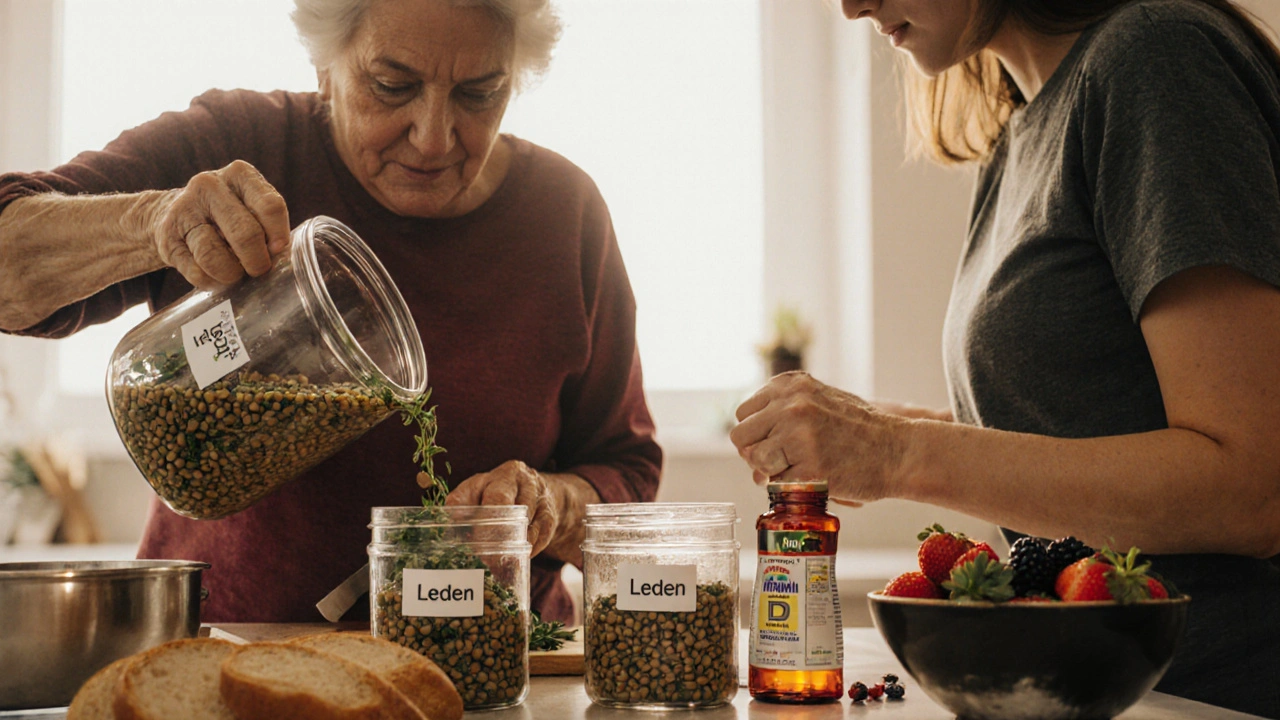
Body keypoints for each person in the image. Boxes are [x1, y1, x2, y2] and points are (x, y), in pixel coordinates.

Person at [0, 0, 661, 626]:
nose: (434, 138)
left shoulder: (564, 214)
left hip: (484, 673)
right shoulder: (240, 145)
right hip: (227, 655)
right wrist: (149, 221)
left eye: (478, 94)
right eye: (391, 86)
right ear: (325, 67)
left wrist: (551, 505)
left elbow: (626, 471)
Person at [731, 0, 1280, 716]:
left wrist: (903, 452)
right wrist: (886, 432)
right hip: (1120, 692)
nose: (849, 5)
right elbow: (1093, 426)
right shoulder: (1021, 129)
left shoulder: (1156, 59)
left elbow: (1254, 487)